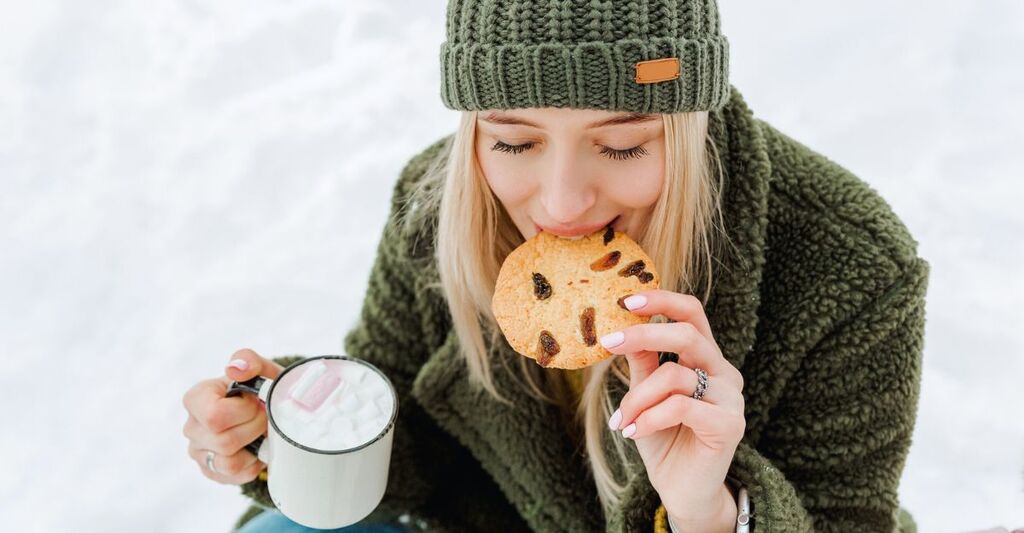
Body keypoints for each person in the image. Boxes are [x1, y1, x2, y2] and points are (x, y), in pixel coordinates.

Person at [182, 1, 932, 531]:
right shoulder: (434, 205)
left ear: (686, 124)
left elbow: (845, 517)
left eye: (623, 145)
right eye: (514, 141)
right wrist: (298, 431)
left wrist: (711, 509)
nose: (563, 202)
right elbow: (414, 446)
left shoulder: (851, 263)